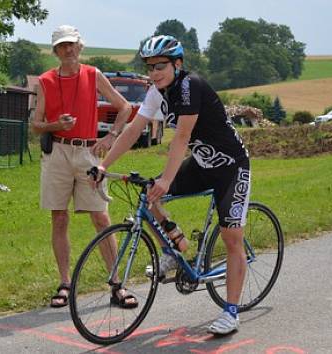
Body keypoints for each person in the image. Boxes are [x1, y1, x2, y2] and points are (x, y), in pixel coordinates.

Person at [91, 35, 251, 335]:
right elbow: (132, 130)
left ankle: (231, 312)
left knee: (232, 238)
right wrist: (103, 165)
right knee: (149, 196)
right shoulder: (156, 92)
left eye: (160, 66)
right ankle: (174, 246)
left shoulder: (191, 86)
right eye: (150, 67)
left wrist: (167, 178)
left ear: (178, 64)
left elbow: (181, 137)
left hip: (231, 168)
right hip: (203, 164)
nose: (154, 73)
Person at [30, 25, 134, 308]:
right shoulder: (45, 81)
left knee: (101, 217)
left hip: (88, 151)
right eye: (62, 46)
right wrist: (55, 125)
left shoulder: (93, 74)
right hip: (58, 154)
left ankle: (117, 284)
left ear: (80, 47)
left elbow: (124, 107)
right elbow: (36, 125)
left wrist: (111, 136)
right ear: (55, 51)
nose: (67, 49)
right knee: (59, 217)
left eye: (71, 44)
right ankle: (65, 283)